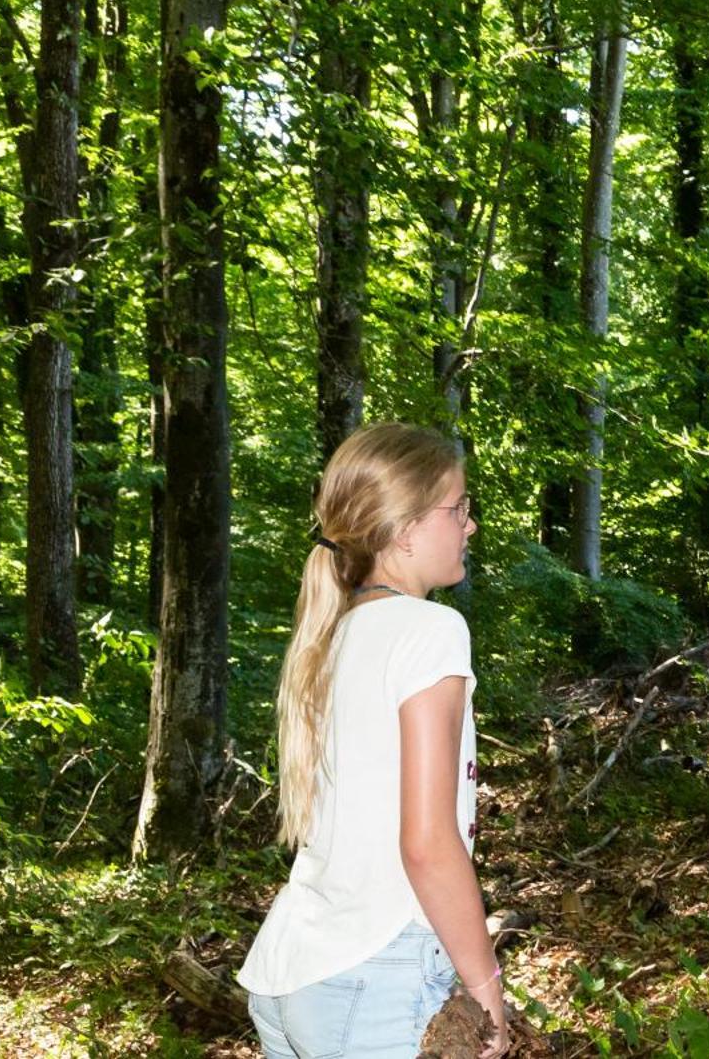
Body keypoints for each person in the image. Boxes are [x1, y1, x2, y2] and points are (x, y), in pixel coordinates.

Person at [239, 423, 507, 1059]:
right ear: (407, 527)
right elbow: (427, 842)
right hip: (377, 978)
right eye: (458, 508)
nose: (469, 525)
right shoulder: (429, 629)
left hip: (293, 971)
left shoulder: (335, 632)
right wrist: (485, 982)